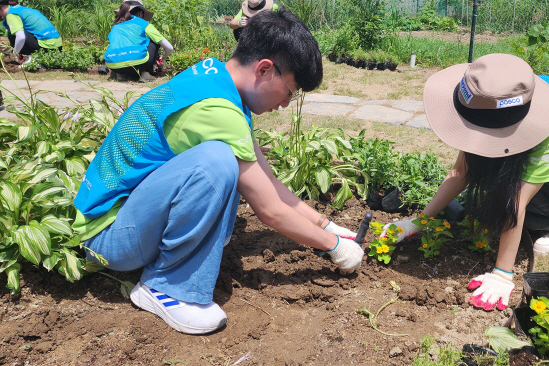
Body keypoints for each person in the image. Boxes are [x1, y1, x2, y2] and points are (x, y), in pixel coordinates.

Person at [74, 9, 364, 335]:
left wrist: (329, 226)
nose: (286, 103)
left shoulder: (220, 80)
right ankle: (165, 287)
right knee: (217, 161)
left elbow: (267, 182)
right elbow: (268, 210)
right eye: (291, 91)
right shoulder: (219, 110)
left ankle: (186, 258)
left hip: (129, 216)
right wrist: (333, 247)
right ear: (265, 69)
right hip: (107, 238)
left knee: (233, 165)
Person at [384, 53, 549, 311]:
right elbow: (461, 172)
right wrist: (418, 221)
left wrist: (501, 274)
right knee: (492, 182)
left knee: (503, 188)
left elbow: (516, 198)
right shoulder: (498, 95)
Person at [104, 1, 174, 82]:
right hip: (140, 64)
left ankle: (121, 75)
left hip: (113, 65)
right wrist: (163, 61)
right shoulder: (144, 24)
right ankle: (146, 74)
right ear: (141, 13)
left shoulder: (115, 26)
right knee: (153, 40)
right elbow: (169, 47)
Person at [0, 0, 62, 68]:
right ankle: (34, 58)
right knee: (19, 31)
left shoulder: (11, 14)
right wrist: (7, 50)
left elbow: (21, 37)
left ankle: (33, 59)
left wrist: (14, 53)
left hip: (46, 47)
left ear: (1, 6)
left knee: (12, 32)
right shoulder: (23, 9)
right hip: (58, 47)